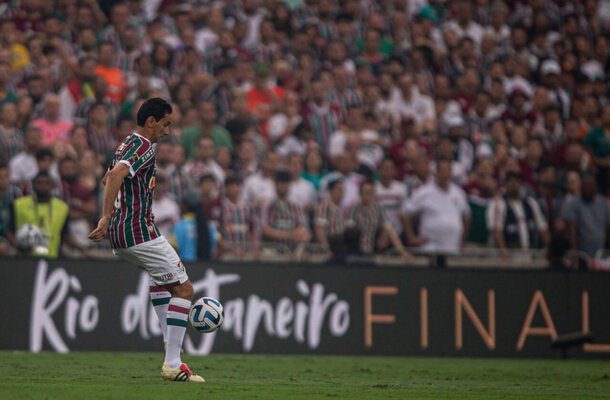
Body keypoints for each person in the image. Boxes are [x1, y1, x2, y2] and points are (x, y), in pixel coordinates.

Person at [88, 98, 204, 383]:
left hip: (122, 232)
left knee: (160, 279)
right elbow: (114, 175)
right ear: (151, 121)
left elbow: (109, 178)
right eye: (165, 124)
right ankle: (173, 363)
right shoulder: (141, 145)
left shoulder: (126, 144)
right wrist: (104, 216)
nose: (167, 131)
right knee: (185, 290)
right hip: (137, 229)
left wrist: (111, 213)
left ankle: (169, 344)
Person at [404, 160, 472, 255]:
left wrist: (462, 239)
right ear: (436, 172)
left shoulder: (458, 192)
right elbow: (403, 213)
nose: (444, 173)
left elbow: (467, 216)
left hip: (452, 246)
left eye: (447, 170)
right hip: (430, 247)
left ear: (451, 173)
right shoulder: (424, 192)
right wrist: (412, 238)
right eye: (442, 170)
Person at [12, 171, 85, 258]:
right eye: (39, 183)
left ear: (52, 185)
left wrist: (81, 249)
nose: (43, 186)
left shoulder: (62, 207)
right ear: (34, 185)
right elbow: (10, 230)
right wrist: (18, 245)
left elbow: (65, 234)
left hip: (51, 259)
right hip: (24, 258)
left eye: (46, 183)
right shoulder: (19, 205)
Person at [486, 171, 550, 254]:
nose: (514, 184)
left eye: (517, 181)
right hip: (509, 253)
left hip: (530, 252)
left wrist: (550, 249)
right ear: (505, 185)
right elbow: (496, 230)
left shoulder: (530, 203)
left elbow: (543, 228)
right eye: (510, 182)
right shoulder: (498, 203)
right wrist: (503, 252)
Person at [562, 174, 610, 258]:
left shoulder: (602, 202)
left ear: (596, 187)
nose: (588, 189)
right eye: (586, 186)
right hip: (581, 250)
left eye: (591, 186)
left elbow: (607, 227)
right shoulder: (573, 203)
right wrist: (574, 252)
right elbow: (571, 229)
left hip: (601, 249)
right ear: (581, 187)